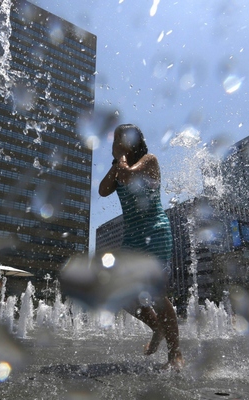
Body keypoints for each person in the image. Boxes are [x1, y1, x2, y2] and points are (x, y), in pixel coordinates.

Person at [98, 123, 184, 370]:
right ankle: (157, 328)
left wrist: (120, 159)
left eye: (116, 139)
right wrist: (117, 161)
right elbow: (103, 191)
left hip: (154, 231)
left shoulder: (150, 161)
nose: (112, 144)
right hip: (132, 236)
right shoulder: (118, 167)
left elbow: (128, 177)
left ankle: (175, 352)